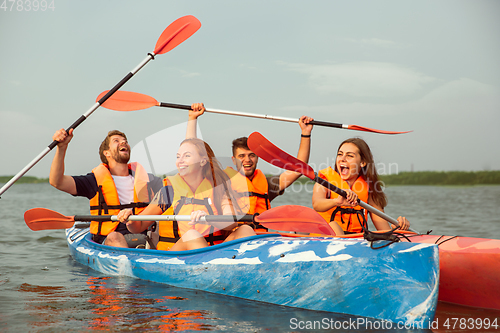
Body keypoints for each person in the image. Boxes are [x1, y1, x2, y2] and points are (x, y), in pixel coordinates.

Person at [117, 137, 256, 251]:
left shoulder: (218, 189)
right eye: (178, 157)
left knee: (245, 229)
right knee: (192, 235)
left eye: (187, 156)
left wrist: (208, 218)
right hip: (175, 256)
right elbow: (138, 226)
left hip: (213, 253)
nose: (180, 160)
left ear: (203, 161)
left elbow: (230, 221)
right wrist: (129, 218)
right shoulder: (168, 192)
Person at [186, 108, 315, 224]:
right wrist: (192, 118)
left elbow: (298, 168)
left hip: (262, 240)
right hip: (237, 239)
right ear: (233, 160)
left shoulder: (268, 184)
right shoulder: (223, 180)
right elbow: (193, 158)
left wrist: (305, 133)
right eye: (241, 156)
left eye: (251, 155)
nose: (247, 160)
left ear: (258, 157)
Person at [49, 128, 163, 248]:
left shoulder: (148, 180)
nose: (123, 142)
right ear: (106, 153)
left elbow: (176, 188)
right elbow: (57, 182)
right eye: (116, 141)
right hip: (110, 240)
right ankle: (127, 264)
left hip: (146, 237)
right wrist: (61, 148)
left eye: (125, 141)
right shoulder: (94, 181)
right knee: (115, 237)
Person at [312, 137, 410, 234]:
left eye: (350, 156)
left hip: (355, 241)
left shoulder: (369, 189)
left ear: (363, 162)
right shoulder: (325, 181)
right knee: (333, 225)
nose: (342, 159)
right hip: (327, 236)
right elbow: (317, 204)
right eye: (340, 154)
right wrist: (336, 201)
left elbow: (384, 230)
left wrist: (398, 229)